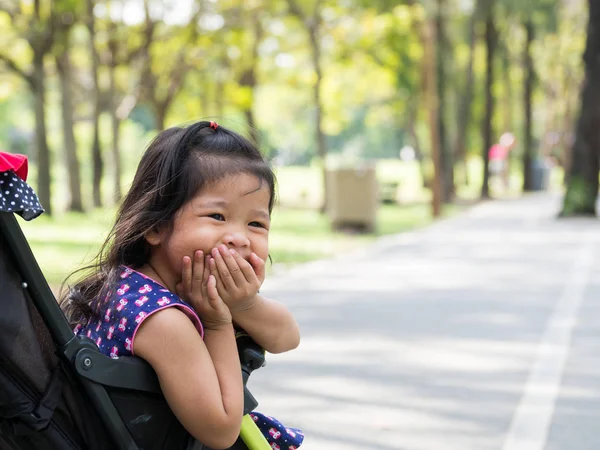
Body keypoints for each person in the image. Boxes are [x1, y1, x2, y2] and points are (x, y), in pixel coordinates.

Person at [60, 121, 303, 450]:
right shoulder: (162, 320)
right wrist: (217, 324)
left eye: (256, 223)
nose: (240, 237)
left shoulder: (130, 284)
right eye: (217, 216)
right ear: (156, 226)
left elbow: (286, 337)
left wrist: (243, 305)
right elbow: (220, 430)